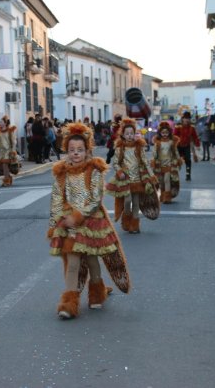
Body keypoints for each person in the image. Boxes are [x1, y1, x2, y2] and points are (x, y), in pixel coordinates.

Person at [47, 121, 129, 319]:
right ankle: (69, 304)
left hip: (91, 221)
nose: (76, 153)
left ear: (87, 151)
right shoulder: (62, 173)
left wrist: (79, 217)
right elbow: (57, 199)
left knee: (92, 261)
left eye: (80, 149)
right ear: (66, 150)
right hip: (69, 224)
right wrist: (55, 223)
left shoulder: (94, 171)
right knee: (73, 263)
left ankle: (97, 293)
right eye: (72, 150)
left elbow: (95, 199)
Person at [106, 119, 158, 234]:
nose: (129, 135)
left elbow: (145, 162)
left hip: (138, 180)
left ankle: (134, 225)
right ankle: (126, 220)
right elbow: (115, 163)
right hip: (125, 181)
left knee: (136, 203)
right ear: (123, 135)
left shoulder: (139, 148)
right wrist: (120, 172)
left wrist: (152, 175)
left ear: (135, 134)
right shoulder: (120, 149)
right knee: (127, 201)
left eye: (131, 133)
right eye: (127, 133)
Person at [152, 122, 182, 204]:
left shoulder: (171, 142)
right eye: (163, 133)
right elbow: (154, 153)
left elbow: (176, 152)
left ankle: (167, 197)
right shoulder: (157, 143)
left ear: (169, 133)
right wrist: (153, 161)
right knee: (161, 181)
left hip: (169, 164)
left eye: (166, 132)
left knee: (167, 180)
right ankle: (162, 195)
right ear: (160, 133)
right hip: (160, 165)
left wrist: (178, 160)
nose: (164, 134)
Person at [173, 111, 200, 181]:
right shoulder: (178, 126)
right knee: (176, 161)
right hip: (178, 146)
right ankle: (174, 175)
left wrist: (198, 145)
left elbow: (195, 137)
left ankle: (188, 174)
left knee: (188, 160)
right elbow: (174, 136)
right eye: (185, 118)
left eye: (188, 118)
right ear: (183, 119)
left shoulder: (192, 127)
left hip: (186, 146)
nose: (187, 120)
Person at [0, 115, 18, 187]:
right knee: (3, 167)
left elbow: (13, 142)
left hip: (8, 151)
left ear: (5, 123)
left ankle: (6, 180)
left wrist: (13, 151)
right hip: (1, 151)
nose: (0, 123)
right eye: (0, 122)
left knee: (5, 165)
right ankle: (8, 177)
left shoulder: (10, 131)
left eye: (1, 122)